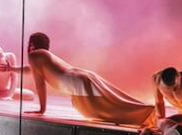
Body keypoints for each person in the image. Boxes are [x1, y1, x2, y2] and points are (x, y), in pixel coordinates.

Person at [24, 33, 153, 125]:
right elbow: (31, 70)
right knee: (115, 100)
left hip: (76, 82)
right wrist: (13, 69)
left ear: (32, 44)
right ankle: (148, 112)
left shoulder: (34, 55)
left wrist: (42, 109)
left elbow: (40, 84)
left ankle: (147, 116)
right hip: (81, 76)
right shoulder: (43, 56)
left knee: (107, 110)